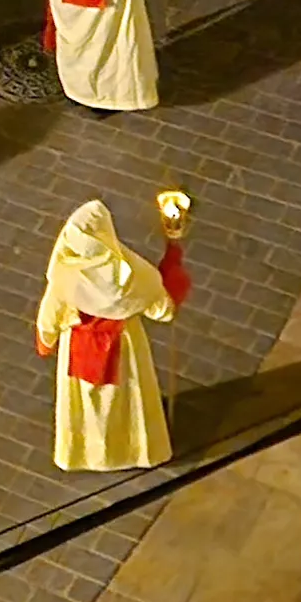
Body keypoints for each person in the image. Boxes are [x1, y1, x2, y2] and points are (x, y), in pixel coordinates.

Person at [33, 199, 188, 470]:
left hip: (79, 346)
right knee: (128, 400)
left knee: (87, 404)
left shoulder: (65, 274)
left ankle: (86, 454)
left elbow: (50, 315)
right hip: (124, 347)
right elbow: (163, 309)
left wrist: (46, 341)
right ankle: (134, 452)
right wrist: (172, 266)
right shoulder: (133, 274)